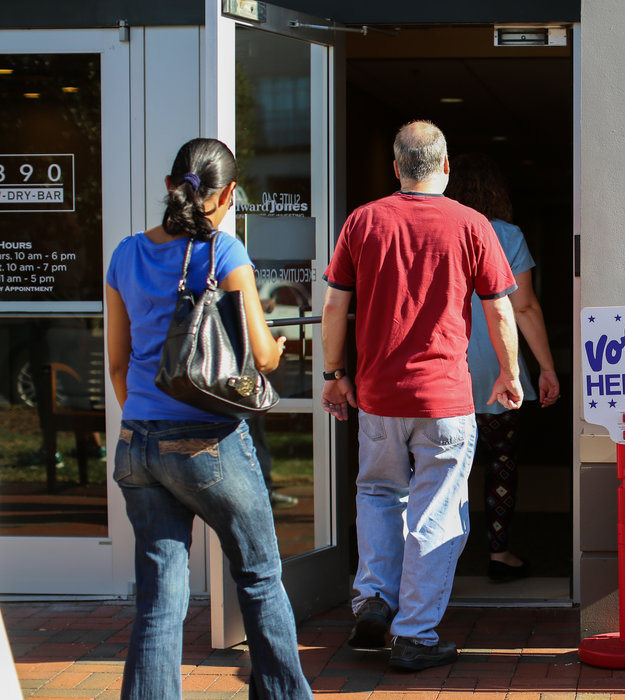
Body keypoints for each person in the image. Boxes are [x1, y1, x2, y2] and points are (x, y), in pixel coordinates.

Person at [105, 138, 312, 698]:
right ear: (228, 194)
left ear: (170, 186)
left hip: (138, 442)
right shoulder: (224, 251)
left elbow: (118, 364)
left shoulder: (125, 254)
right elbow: (262, 357)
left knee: (158, 599)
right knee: (259, 575)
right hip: (209, 443)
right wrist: (279, 347)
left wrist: (146, 421)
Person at [321, 120, 523, 671]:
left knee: (378, 494)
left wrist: (334, 374)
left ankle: (374, 599)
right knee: (438, 510)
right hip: (446, 399)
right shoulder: (472, 224)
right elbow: (501, 309)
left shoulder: (363, 221)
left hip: (379, 398)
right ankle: (414, 634)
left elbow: (335, 305)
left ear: (396, 168)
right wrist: (509, 373)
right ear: (446, 166)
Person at [444, 152, 560, 582]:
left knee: (443, 470)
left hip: (445, 370)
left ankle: (439, 562)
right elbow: (524, 307)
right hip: (499, 369)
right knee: (501, 463)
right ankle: (499, 553)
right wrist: (546, 367)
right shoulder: (507, 235)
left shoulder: (437, 228)